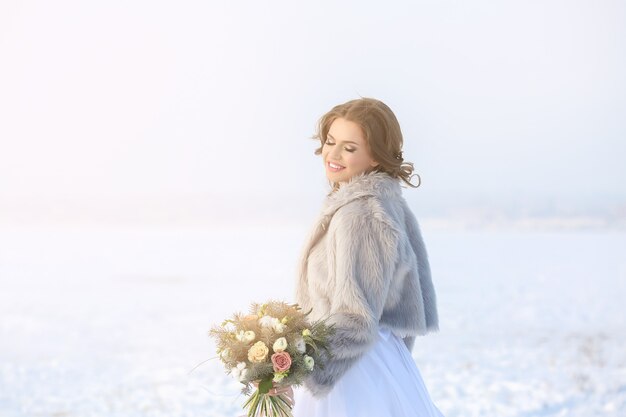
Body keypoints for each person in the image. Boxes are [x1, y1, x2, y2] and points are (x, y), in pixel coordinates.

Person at [289, 97, 445, 417]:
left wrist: (298, 368)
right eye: (330, 142)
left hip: (350, 374)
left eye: (349, 148)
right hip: (365, 362)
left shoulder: (361, 213)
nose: (332, 154)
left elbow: (355, 319)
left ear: (375, 156)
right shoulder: (378, 204)